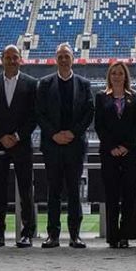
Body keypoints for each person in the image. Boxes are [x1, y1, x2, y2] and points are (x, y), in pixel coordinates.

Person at [36, 43, 94, 249]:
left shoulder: (84, 84)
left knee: (73, 191)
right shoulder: (44, 84)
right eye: (60, 56)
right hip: (52, 145)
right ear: (55, 58)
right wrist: (54, 134)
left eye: (66, 56)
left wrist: (72, 133)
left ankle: (75, 235)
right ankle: (53, 235)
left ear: (73, 58)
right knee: (53, 191)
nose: (63, 59)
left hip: (75, 145)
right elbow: (39, 113)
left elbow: (89, 113)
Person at [0, 44, 38, 248]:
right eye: (8, 57)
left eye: (15, 57)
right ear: (2, 59)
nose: (12, 60)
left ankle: (27, 233)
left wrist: (16, 135)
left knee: (26, 190)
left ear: (21, 59)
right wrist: (1, 136)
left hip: (21, 143)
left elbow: (34, 115)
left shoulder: (32, 83)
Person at [94, 62, 136, 249]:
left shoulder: (135, 97)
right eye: (113, 73)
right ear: (109, 76)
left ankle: (126, 235)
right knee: (112, 195)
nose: (116, 76)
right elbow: (99, 125)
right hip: (109, 153)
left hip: (129, 153)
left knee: (129, 195)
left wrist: (126, 146)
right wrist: (112, 146)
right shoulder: (101, 97)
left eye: (120, 73)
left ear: (125, 76)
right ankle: (113, 236)